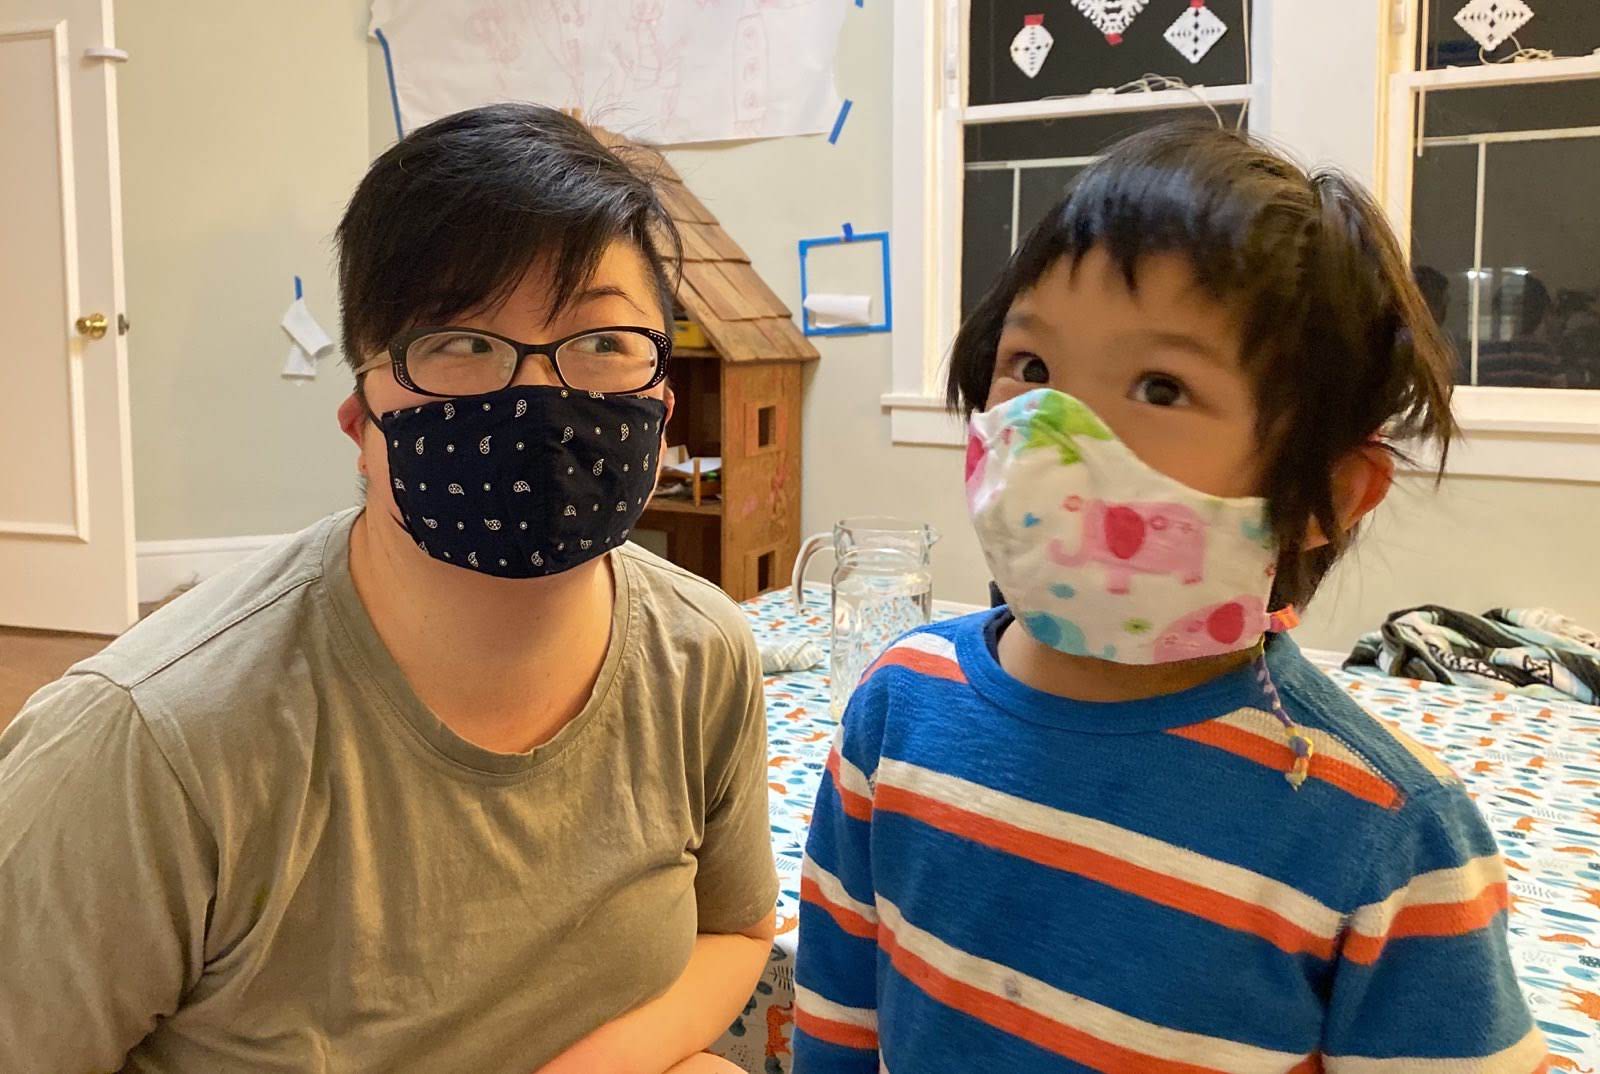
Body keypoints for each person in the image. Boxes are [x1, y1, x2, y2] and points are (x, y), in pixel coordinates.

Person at [0, 104, 775, 1074]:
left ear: (662, 408)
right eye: (458, 341)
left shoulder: (703, 649)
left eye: (603, 341)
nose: (536, 396)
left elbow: (737, 933)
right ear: (361, 416)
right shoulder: (143, 749)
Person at [794, 125, 1544, 1072]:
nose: (1055, 430)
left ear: (1329, 495)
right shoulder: (898, 708)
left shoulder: (1389, 834)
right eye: (1030, 367)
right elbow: (836, 1018)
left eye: (1160, 385)